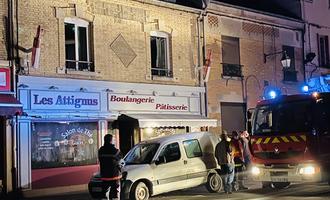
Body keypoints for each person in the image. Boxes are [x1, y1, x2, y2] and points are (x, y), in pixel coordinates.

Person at [98, 134, 122, 200]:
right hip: (115, 177)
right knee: (115, 194)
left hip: (104, 176)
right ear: (111, 141)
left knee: (105, 194)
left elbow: (100, 161)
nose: (114, 141)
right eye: (113, 139)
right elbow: (121, 163)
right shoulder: (116, 151)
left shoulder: (101, 150)